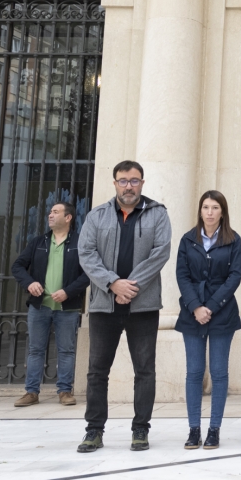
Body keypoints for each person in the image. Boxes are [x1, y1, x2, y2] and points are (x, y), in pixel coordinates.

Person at [74, 160, 173, 453]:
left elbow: (161, 252)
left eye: (134, 180)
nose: (128, 186)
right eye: (123, 180)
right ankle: (94, 430)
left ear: (142, 183)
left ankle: (140, 430)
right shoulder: (97, 216)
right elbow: (86, 253)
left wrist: (130, 286)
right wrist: (112, 283)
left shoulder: (158, 214)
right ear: (114, 183)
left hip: (143, 306)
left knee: (144, 370)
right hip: (104, 305)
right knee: (97, 371)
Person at [176, 190, 241, 451]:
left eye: (215, 207)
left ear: (222, 212)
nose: (210, 212)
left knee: (219, 372)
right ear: (200, 211)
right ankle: (194, 429)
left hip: (222, 313)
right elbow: (182, 276)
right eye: (206, 207)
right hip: (192, 313)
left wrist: (211, 307)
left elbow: (235, 277)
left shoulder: (233, 240)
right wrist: (195, 307)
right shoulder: (187, 240)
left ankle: (214, 429)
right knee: (194, 372)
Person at [11, 201, 88, 408]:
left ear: (68, 217)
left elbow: (88, 274)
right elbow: (17, 266)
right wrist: (30, 283)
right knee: (35, 350)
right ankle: (31, 392)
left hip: (67, 307)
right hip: (39, 306)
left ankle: (64, 391)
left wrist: (68, 292)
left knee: (66, 350)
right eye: (50, 212)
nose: (50, 215)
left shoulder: (80, 243)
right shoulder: (38, 242)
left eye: (55, 212)